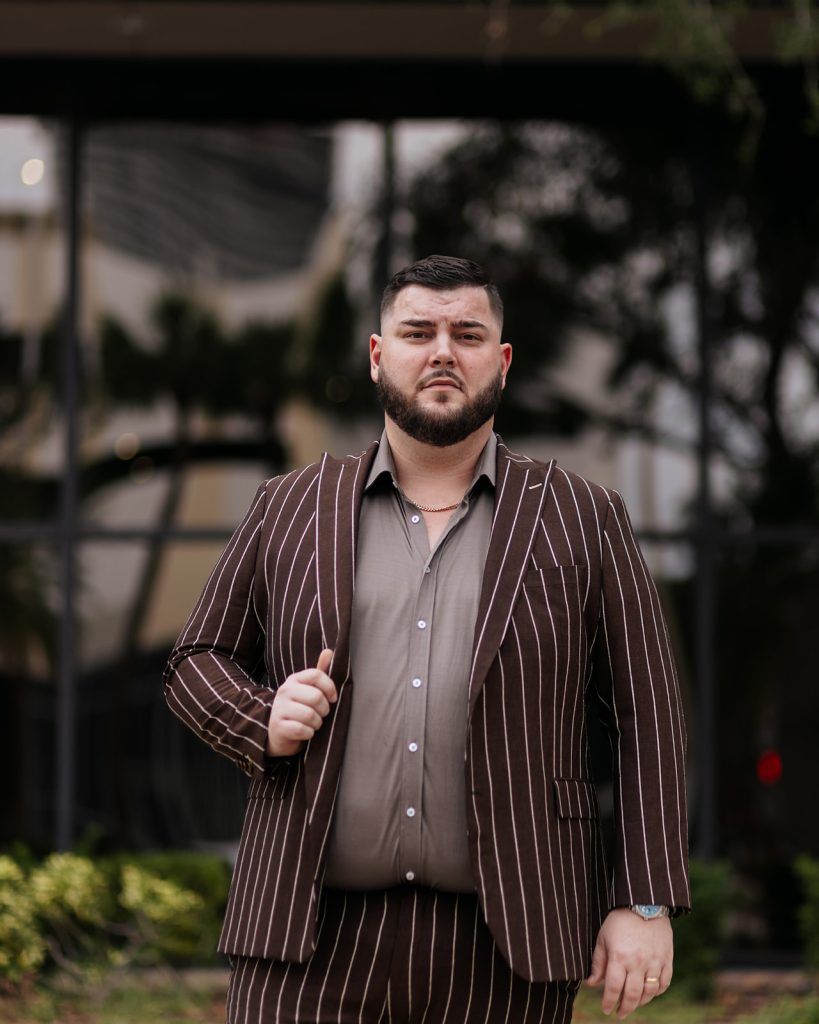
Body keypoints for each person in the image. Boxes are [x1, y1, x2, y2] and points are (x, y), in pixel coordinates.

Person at [163, 254, 690, 1023]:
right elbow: (193, 662)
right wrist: (261, 719)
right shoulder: (289, 505)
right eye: (417, 333)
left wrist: (644, 901)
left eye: (466, 334)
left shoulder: (582, 516)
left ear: (500, 362)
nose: (442, 351)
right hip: (306, 941)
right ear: (378, 356)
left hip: (509, 943)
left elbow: (649, 717)